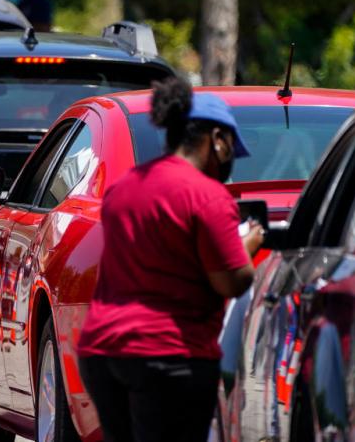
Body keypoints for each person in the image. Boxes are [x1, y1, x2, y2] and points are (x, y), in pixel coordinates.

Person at [76, 75, 265, 442]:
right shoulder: (208, 195)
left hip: (102, 353)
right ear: (218, 141)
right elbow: (231, 279)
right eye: (231, 148)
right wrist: (251, 245)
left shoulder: (125, 186)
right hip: (168, 356)